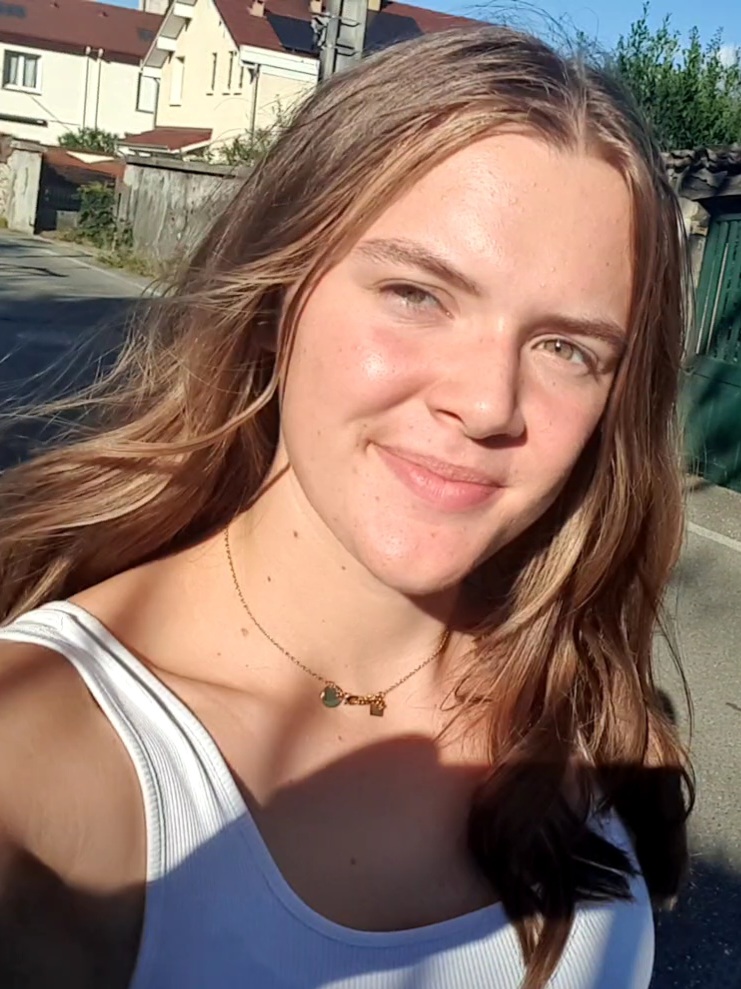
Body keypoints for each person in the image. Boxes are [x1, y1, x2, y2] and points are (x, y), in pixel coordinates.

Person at [0, 24, 692, 989]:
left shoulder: (581, 698)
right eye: (416, 293)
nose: (486, 403)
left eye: (566, 348)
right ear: (277, 296)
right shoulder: (40, 760)